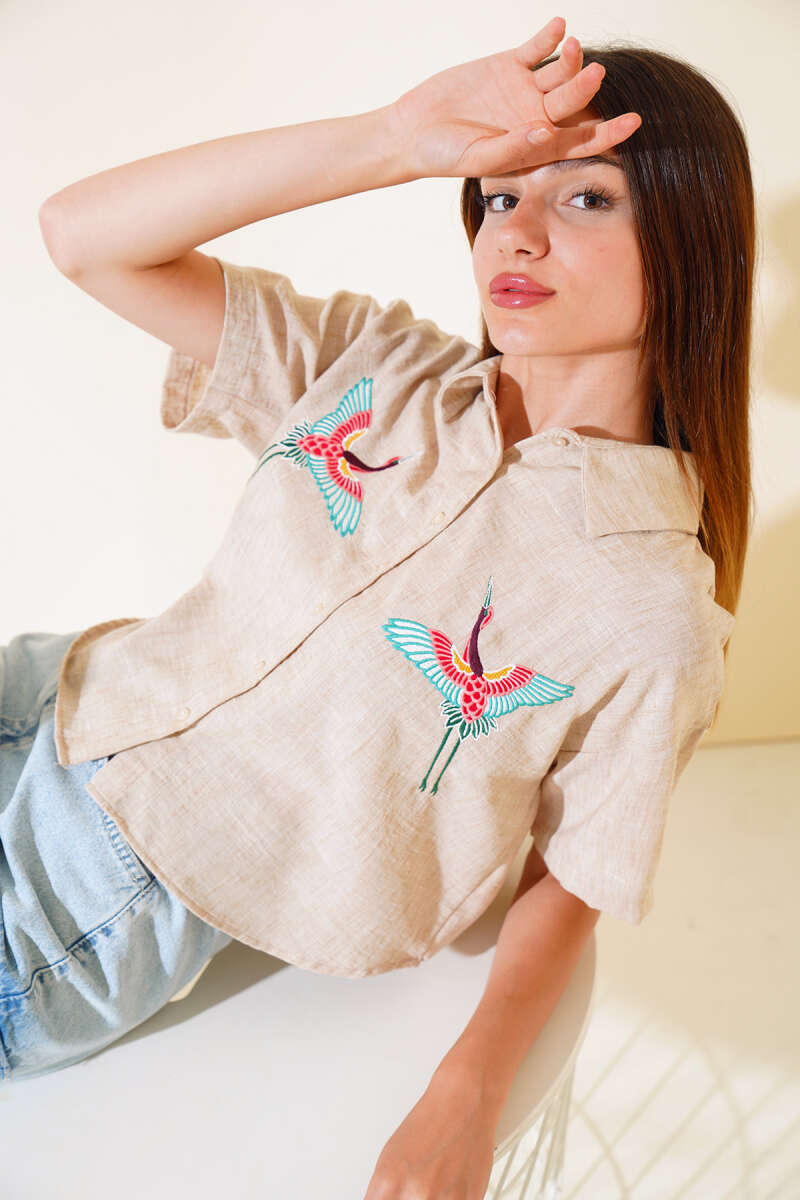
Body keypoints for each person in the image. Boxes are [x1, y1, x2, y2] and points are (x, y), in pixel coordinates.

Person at [2, 14, 753, 1199]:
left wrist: (468, 1091)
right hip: (45, 693)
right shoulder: (380, 369)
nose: (518, 233)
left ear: (692, 236)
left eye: (585, 198)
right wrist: (393, 139)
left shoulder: (648, 608)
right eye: (497, 197)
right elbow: (83, 237)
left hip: (91, 897)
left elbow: (576, 870)